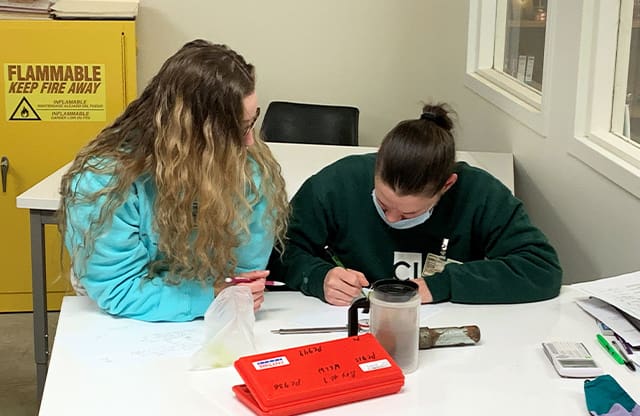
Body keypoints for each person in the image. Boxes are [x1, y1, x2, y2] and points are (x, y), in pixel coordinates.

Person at [58, 40, 289, 322]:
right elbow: (119, 288)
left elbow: (240, 282)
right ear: (191, 133)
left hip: (212, 315)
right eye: (237, 130)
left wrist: (219, 293)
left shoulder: (252, 173)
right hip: (121, 318)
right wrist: (210, 295)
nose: (250, 142)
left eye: (252, 122)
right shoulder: (105, 181)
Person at [269, 103, 562, 306]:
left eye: (410, 212)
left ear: (447, 186)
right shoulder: (337, 183)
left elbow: (541, 269)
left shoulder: (479, 194)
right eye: (383, 205)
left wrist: (442, 286)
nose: (393, 219)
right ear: (376, 165)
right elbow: (279, 252)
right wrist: (319, 276)